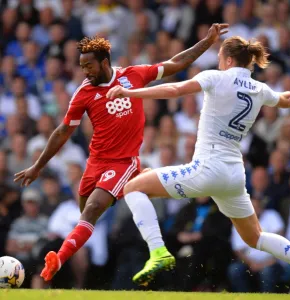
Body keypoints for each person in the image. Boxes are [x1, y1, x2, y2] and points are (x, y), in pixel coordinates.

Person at [14, 23, 229, 283]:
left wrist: (207, 42)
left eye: (88, 65)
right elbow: (62, 131)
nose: (85, 71)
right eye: (82, 66)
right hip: (95, 163)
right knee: (87, 215)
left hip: (122, 160)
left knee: (92, 208)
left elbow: (174, 63)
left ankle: (58, 259)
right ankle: (134, 184)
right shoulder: (84, 93)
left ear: (104, 62)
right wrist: (37, 166)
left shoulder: (133, 76)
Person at [106, 35, 290, 286]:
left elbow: (175, 89)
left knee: (132, 188)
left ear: (229, 60)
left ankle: (158, 252)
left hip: (208, 169)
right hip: (234, 175)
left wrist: (130, 92)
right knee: (255, 238)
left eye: (220, 57)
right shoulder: (259, 88)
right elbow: (286, 99)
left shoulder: (216, 78)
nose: (218, 61)